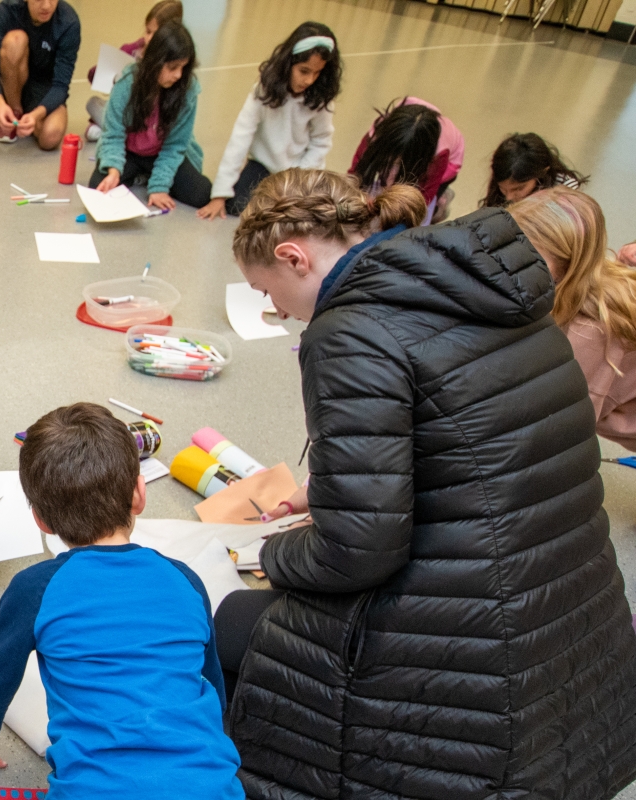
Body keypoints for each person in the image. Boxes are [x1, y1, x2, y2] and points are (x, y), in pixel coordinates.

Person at [216, 168, 636, 800]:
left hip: (479, 669)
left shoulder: (348, 332)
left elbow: (356, 551)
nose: (273, 308)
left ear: (293, 257)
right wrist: (340, 485)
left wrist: (276, 554)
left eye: (266, 289)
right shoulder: (492, 286)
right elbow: (471, 447)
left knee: (233, 623)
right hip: (576, 637)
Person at [0, 402, 243, 798]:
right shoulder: (185, 580)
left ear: (40, 519)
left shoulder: (37, 588)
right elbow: (209, 684)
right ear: (139, 494)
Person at [511, 187, 636, 451]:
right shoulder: (579, 280)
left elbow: (562, 427)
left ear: (568, 268)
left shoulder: (591, 331)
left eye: (529, 262)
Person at [198, 22, 340, 221]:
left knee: (297, 217)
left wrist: (297, 178)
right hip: (262, 166)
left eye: (317, 73)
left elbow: (321, 142)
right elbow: (241, 136)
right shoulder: (264, 89)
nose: (309, 80)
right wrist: (220, 193)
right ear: (289, 63)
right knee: (237, 208)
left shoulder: (321, 98)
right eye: (304, 71)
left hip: (299, 172)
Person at [89, 22, 210, 211]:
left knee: (201, 194)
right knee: (98, 186)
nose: (178, 75)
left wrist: (159, 187)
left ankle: (147, 176)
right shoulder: (127, 84)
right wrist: (113, 170)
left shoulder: (187, 91)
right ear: (156, 61)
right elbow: (113, 136)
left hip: (161, 154)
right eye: (172, 67)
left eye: (183, 68)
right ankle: (140, 174)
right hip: (129, 152)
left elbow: (175, 146)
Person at [348, 96, 463, 224]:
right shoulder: (379, 131)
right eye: (390, 161)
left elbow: (424, 198)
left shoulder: (438, 155)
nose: (393, 169)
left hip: (448, 165)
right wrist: (358, 196)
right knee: (386, 183)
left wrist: (402, 212)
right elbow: (356, 169)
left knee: (419, 200)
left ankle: (441, 201)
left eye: (398, 164)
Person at [0, 0, 81, 150]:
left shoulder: (68, 22)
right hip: (12, 81)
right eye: (39, 0)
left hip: (44, 86)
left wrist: (36, 115)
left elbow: (61, 86)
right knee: (15, 39)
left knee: (51, 136)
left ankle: (26, 118)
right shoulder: (6, 11)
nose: (46, 6)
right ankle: (14, 112)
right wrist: (0, 104)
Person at [84, 0, 182, 141]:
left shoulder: (175, 62)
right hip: (127, 113)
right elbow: (93, 75)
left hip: (154, 120)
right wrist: (106, 74)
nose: (149, 38)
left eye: (156, 34)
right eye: (148, 31)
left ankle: (117, 133)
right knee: (93, 103)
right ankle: (119, 132)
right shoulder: (134, 50)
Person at [481, 132, 585, 206]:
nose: (509, 198)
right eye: (503, 189)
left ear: (542, 173)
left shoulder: (565, 192)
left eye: (518, 188)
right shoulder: (500, 192)